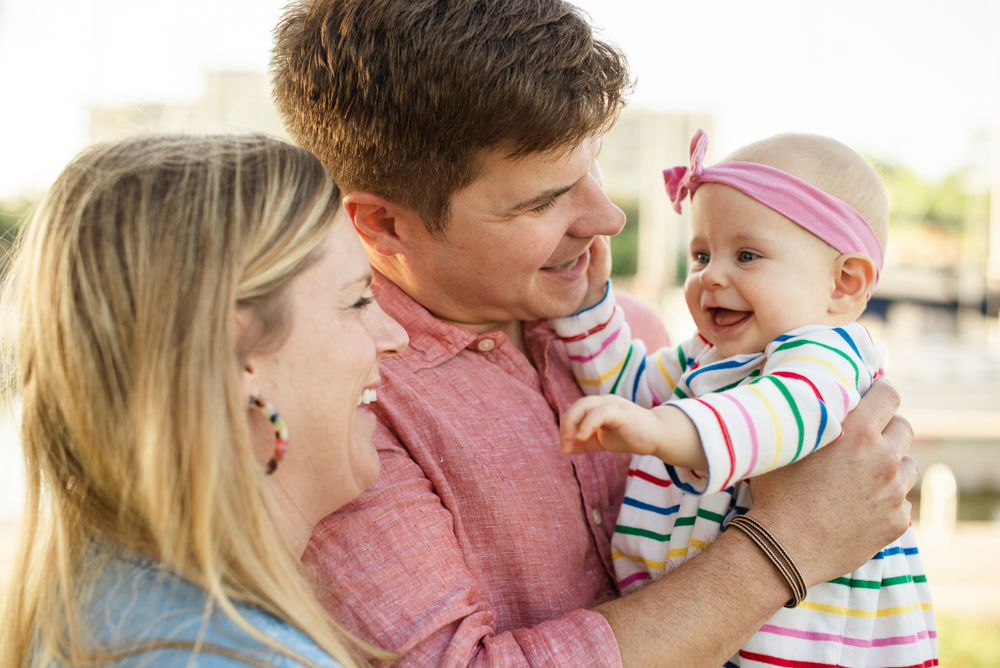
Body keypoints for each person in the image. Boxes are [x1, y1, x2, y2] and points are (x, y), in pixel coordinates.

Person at [271, 1, 919, 665]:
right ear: (382, 224)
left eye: (594, 168)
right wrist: (789, 543)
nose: (608, 218)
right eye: (545, 199)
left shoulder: (631, 332)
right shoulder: (349, 400)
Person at [0, 134, 408, 667]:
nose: (395, 334)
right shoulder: (228, 654)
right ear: (237, 354)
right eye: (357, 300)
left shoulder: (97, 602)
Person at [556, 129, 936, 667]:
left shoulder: (828, 356)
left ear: (843, 284)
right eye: (701, 254)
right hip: (721, 625)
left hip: (810, 637)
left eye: (748, 254)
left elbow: (780, 413)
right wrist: (589, 310)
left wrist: (663, 430)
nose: (711, 276)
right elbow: (632, 392)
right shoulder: (707, 358)